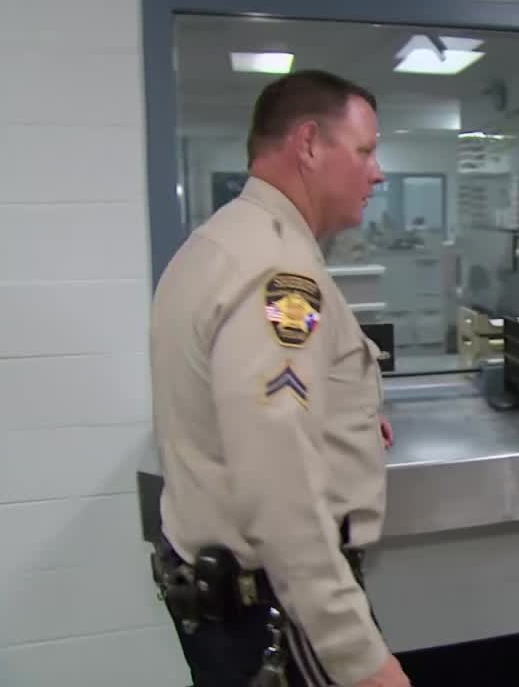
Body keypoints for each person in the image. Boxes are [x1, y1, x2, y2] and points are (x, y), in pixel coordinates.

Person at [149, 69, 411, 687]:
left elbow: (242, 405)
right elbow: (278, 480)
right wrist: (359, 656)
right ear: (310, 144)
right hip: (276, 612)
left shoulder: (221, 242)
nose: (378, 173)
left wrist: (335, 414)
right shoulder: (279, 271)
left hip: (233, 603)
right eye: (366, 150)